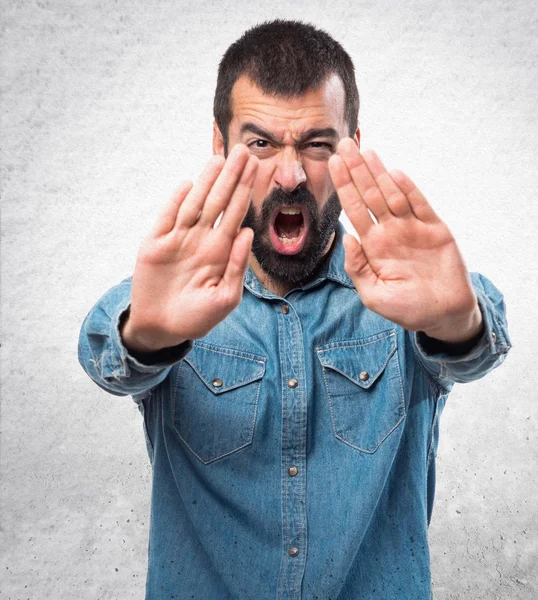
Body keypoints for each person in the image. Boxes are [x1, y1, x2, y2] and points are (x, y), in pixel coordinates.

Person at [78, 19, 511, 600]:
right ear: (220, 145)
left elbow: (475, 343)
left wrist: (459, 325)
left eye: (316, 145)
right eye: (260, 144)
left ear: (352, 143)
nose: (289, 175)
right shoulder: (177, 299)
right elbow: (110, 350)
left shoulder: (404, 296)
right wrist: (145, 337)